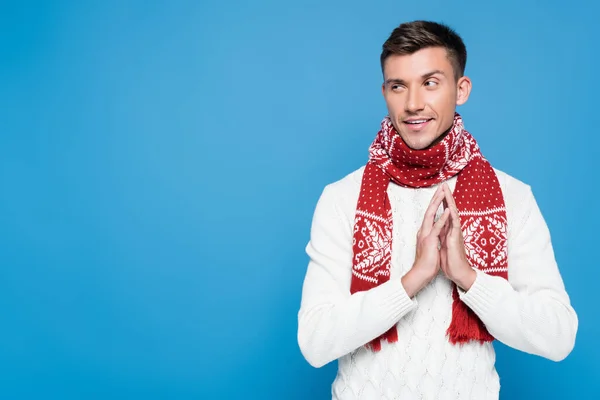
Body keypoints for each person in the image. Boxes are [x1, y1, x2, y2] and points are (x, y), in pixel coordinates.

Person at [296, 20, 578, 400]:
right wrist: (413, 279)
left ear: (461, 90)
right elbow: (314, 342)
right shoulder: (342, 198)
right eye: (399, 86)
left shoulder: (512, 196)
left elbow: (558, 336)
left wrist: (468, 278)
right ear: (385, 92)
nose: (413, 103)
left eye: (430, 82)